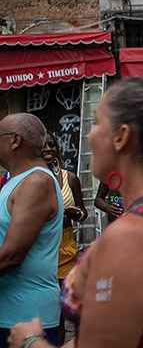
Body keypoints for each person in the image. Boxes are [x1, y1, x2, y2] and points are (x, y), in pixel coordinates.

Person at [8, 76, 143, 348]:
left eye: (97, 123)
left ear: (121, 137)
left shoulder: (131, 236)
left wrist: (29, 340)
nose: (89, 134)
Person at [0, 114, 63, 348]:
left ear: (15, 140)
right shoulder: (14, 181)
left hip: (25, 319)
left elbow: (12, 255)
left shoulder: (37, 182)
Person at [41, 131, 87, 344]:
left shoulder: (70, 178)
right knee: (44, 310)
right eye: (43, 145)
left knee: (63, 308)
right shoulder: (30, 180)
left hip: (65, 245)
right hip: (38, 245)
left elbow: (83, 213)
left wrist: (76, 213)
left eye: (52, 145)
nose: (48, 149)